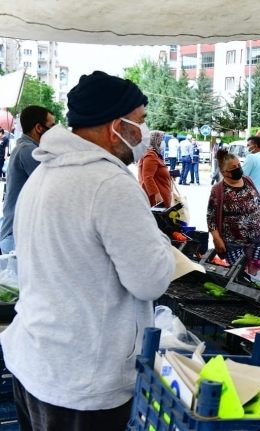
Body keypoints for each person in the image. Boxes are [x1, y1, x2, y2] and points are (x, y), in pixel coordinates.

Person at [0, 70, 175, 431]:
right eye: (140, 121)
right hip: (83, 382)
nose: (143, 132)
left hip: (35, 362)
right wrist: (161, 241)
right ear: (116, 125)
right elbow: (151, 281)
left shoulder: (45, 173)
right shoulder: (110, 184)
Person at [0, 105, 55, 254]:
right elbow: (53, 185)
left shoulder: (24, 148)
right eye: (52, 126)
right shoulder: (28, 151)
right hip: (16, 237)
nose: (55, 132)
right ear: (39, 128)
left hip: (16, 234)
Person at [208, 149, 260, 275]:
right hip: (233, 242)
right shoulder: (218, 190)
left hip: (255, 239)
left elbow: (258, 205)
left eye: (239, 165)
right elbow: (211, 218)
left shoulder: (248, 181)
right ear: (224, 172)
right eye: (233, 167)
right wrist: (217, 239)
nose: (238, 168)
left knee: (253, 273)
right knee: (238, 274)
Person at [138, 130, 172, 208]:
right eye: (162, 140)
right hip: (157, 199)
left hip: (162, 194)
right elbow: (147, 177)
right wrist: (157, 195)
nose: (164, 143)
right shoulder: (151, 155)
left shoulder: (154, 154)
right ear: (156, 141)